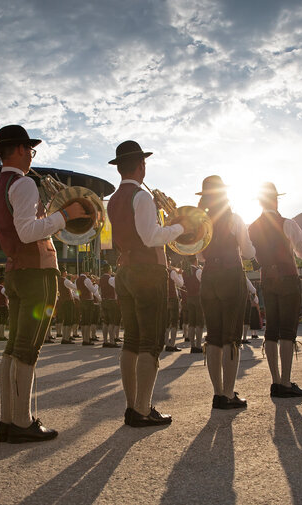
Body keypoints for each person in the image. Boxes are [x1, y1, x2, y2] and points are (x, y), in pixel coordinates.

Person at [0, 124, 91, 443]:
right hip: (37, 272)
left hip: (17, 271)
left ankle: (8, 421)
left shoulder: (1, 183)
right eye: (30, 151)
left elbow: (19, 229)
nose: (31, 157)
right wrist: (66, 214)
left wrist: (50, 213)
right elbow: (28, 231)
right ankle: (22, 421)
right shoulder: (23, 184)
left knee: (13, 347)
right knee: (27, 349)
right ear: (19, 150)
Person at [106, 140, 187, 427]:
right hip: (147, 271)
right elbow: (151, 237)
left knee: (131, 341)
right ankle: (142, 408)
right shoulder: (140, 196)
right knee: (150, 343)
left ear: (119, 168)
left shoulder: (115, 198)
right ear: (141, 165)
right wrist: (179, 228)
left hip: (125, 270)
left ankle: (132, 406)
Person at [196, 175, 256, 409]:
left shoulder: (201, 222)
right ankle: (229, 393)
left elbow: (200, 255)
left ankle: (217, 392)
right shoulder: (234, 219)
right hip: (231, 276)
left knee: (213, 337)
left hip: (209, 276)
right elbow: (249, 252)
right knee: (231, 337)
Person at [248, 182, 302, 397]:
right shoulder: (288, 223)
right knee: (287, 331)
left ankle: (275, 381)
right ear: (276, 200)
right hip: (288, 276)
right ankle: (285, 381)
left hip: (267, 278)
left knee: (271, 329)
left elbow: (252, 254)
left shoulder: (252, 227)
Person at [182, 256, 204, 353]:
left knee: (192, 322)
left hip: (189, 298)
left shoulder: (184, 272)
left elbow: (182, 284)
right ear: (196, 260)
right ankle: (198, 346)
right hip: (198, 298)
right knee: (199, 322)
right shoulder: (198, 271)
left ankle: (192, 346)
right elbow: (204, 282)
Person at [99, 264, 121, 348]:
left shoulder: (101, 278)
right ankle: (112, 341)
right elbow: (118, 286)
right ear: (109, 270)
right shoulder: (111, 279)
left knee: (105, 322)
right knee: (112, 322)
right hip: (111, 302)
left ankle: (105, 341)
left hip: (104, 301)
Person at [165, 266, 184, 352]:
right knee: (174, 322)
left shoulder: (159, 272)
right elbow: (181, 284)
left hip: (164, 298)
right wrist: (179, 274)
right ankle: (172, 344)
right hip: (172, 298)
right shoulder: (171, 272)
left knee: (166, 322)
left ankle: (166, 343)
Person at [55, 270, 76, 344]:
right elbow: (75, 288)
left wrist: (71, 280)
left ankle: (64, 337)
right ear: (64, 272)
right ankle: (66, 338)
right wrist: (74, 280)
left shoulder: (58, 280)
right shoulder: (66, 281)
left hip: (62, 301)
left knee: (65, 320)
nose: (67, 273)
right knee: (69, 320)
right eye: (66, 272)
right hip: (68, 301)